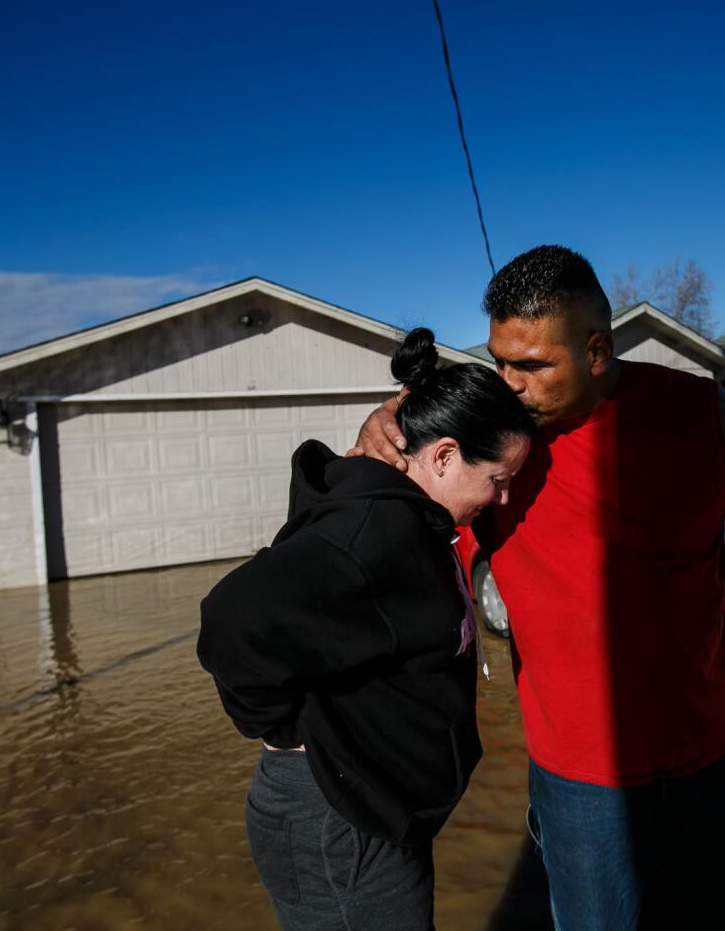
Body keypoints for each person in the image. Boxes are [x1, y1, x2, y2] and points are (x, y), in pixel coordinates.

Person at [351, 245, 725, 930]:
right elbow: (365, 546)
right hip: (580, 789)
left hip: (719, 761)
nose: (509, 383)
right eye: (500, 360)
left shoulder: (703, 415)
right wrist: (372, 449)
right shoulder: (487, 450)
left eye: (531, 365)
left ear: (596, 351)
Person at [197, 327, 534, 931]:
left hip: (372, 809)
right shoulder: (371, 534)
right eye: (498, 480)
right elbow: (232, 622)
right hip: (337, 820)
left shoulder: (408, 519)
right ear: (445, 455)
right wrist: (287, 732)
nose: (503, 498)